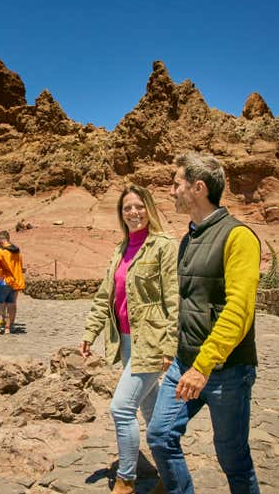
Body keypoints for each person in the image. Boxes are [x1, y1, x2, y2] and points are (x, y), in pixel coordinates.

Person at [146, 152, 261, 494]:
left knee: (233, 458)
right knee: (160, 435)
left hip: (226, 369)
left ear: (198, 188)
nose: (170, 191)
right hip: (185, 362)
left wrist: (204, 365)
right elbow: (186, 304)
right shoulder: (189, 238)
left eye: (175, 183)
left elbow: (239, 310)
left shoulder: (239, 237)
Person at [79, 184, 179, 494]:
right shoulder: (120, 250)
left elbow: (174, 299)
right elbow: (103, 296)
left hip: (150, 340)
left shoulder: (163, 245)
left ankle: (126, 480)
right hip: (125, 340)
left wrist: (170, 346)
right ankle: (172, 477)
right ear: (121, 214)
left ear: (149, 208)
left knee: (121, 409)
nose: (133, 212)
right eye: (127, 208)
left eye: (138, 206)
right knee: (151, 412)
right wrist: (89, 332)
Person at [0, 230, 25, 334]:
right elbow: (20, 265)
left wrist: (0, 274)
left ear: (0, 242)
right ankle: (9, 327)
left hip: (4, 281)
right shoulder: (17, 251)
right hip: (16, 281)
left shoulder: (1, 251)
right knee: (12, 304)